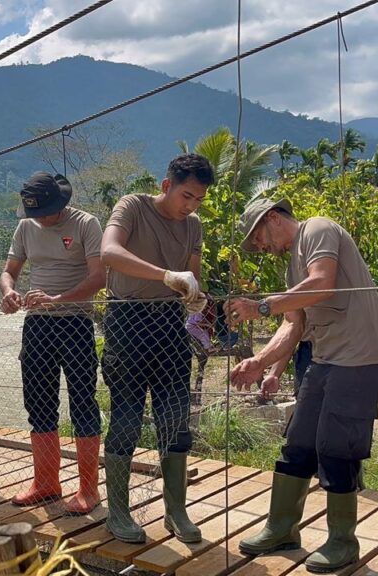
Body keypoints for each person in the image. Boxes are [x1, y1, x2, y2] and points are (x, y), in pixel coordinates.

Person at [227, 195, 378, 572]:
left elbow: (323, 282)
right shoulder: (292, 269)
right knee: (298, 442)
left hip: (360, 357)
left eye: (258, 238)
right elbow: (293, 325)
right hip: (326, 357)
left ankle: (342, 542)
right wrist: (260, 362)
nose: (260, 247)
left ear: (273, 218)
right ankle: (282, 529)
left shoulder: (317, 228)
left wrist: (262, 306)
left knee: (336, 448)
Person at [99, 154, 213, 544]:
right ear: (167, 186)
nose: (191, 206)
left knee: (176, 417)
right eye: (186, 196)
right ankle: (118, 513)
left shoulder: (193, 226)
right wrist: (165, 275)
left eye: (199, 199)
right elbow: (109, 253)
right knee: (126, 418)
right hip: (127, 320)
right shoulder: (132, 206)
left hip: (169, 323)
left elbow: (192, 276)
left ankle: (176, 511)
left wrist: (195, 296)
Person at [0, 172, 105, 514]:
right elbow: (9, 271)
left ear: (60, 203)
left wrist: (57, 299)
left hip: (75, 322)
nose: (41, 219)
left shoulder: (86, 224)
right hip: (37, 325)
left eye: (45, 212)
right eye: (35, 213)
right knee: (39, 404)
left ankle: (88, 489)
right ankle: (46, 483)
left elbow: (99, 277)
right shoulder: (26, 227)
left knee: (83, 403)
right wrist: (9, 292)